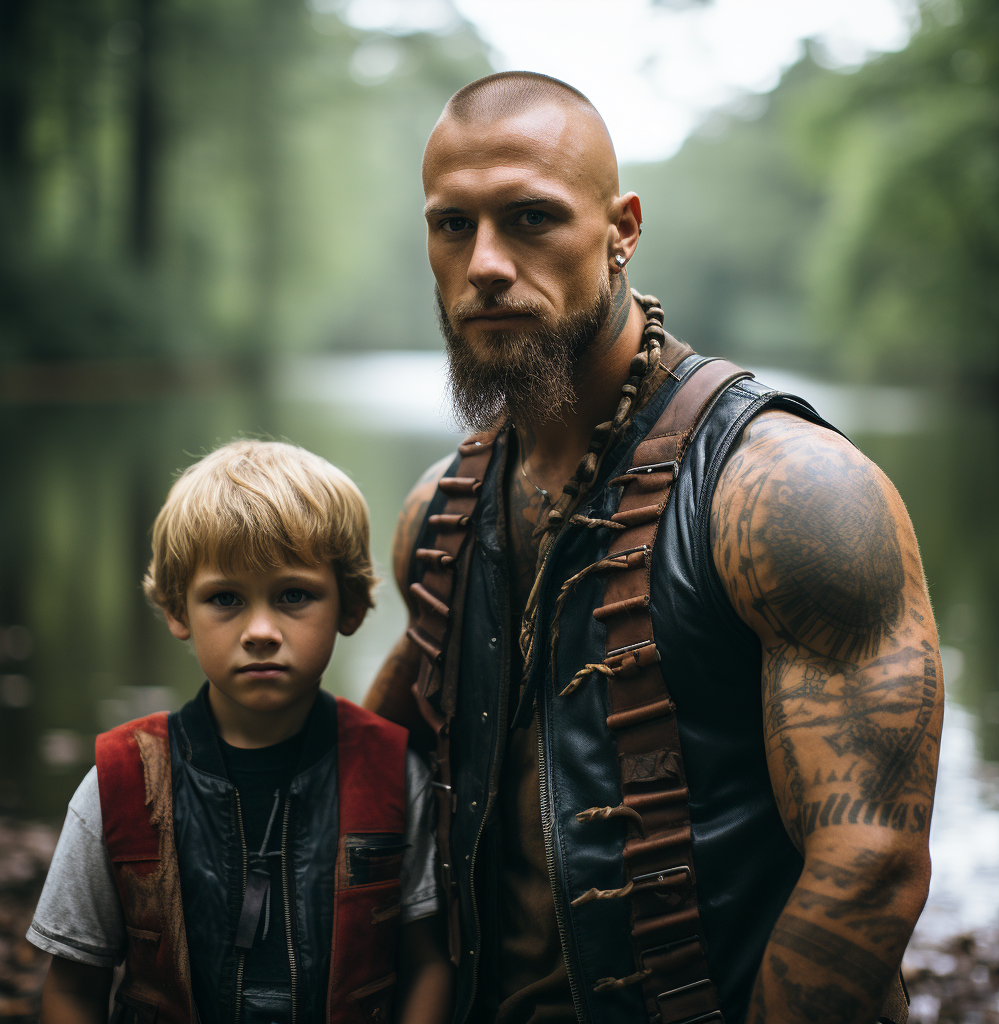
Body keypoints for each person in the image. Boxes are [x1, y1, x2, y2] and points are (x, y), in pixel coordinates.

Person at [364, 72, 942, 1024]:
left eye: (531, 218)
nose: (487, 264)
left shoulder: (787, 493)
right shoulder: (439, 511)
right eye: (452, 225)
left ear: (622, 229)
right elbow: (377, 776)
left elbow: (869, 868)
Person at [28, 439, 453, 1024]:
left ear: (350, 605)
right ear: (179, 610)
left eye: (293, 596)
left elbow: (427, 963)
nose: (260, 630)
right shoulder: (117, 784)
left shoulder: (394, 775)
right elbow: (74, 986)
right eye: (225, 598)